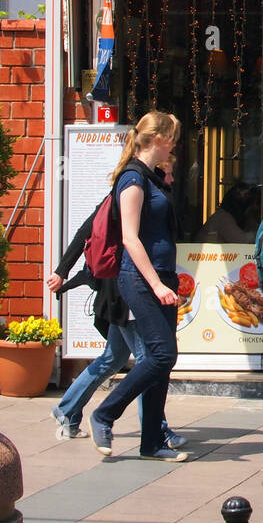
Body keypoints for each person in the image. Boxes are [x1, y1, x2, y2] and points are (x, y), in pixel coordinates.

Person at [47, 159, 185, 449]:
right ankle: (156, 429)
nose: (171, 179)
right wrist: (61, 271)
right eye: (168, 173)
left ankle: (67, 409)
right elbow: (84, 233)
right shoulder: (129, 194)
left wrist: (62, 272)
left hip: (118, 293)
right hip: (124, 294)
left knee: (114, 358)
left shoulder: (143, 196)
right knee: (151, 358)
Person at [88, 112, 188, 462]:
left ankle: (151, 443)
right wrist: (157, 284)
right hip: (140, 277)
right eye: (171, 137)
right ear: (156, 138)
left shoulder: (155, 178)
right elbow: (130, 238)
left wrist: (166, 281)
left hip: (163, 275)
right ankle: (104, 414)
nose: (174, 143)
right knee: (162, 354)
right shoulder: (133, 178)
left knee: (162, 361)